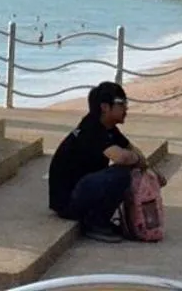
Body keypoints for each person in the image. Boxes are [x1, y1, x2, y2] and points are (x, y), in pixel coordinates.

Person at [48, 81, 159, 242]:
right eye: (122, 103)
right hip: (68, 201)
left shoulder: (108, 128)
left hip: (82, 189)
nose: (126, 109)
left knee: (129, 171)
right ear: (105, 107)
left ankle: (100, 219)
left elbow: (132, 150)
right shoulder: (91, 129)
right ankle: (95, 223)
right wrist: (136, 160)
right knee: (121, 174)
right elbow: (121, 157)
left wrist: (147, 168)